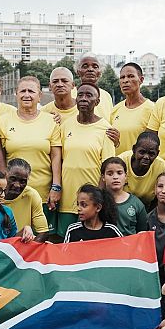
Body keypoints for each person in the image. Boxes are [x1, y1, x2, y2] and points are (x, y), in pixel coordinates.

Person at [0, 76, 63, 231]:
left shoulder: (51, 121)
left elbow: (56, 157)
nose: (27, 95)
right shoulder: (4, 121)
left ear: (39, 95)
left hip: (43, 193)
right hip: (12, 193)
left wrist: (56, 186)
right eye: (23, 91)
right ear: (16, 93)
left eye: (31, 91)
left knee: (42, 237)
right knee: (15, 238)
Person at [58, 83, 116, 237]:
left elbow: (108, 169)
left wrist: (98, 200)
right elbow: (59, 159)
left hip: (90, 203)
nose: (84, 98)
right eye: (81, 95)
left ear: (97, 102)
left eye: (89, 95)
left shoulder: (106, 129)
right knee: (66, 244)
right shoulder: (65, 125)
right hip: (67, 199)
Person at [2, 159, 49, 242]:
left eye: (23, 181)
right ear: (5, 174)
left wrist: (29, 251)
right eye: (13, 179)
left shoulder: (31, 195)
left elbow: (43, 232)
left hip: (21, 245)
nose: (17, 185)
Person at [111, 62, 155, 148]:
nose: (125, 80)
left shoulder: (152, 109)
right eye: (122, 77)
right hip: (118, 161)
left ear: (141, 80)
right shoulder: (115, 110)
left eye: (131, 76)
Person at [101, 156, 147, 236]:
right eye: (110, 174)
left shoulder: (136, 204)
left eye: (119, 173)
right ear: (103, 177)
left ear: (125, 176)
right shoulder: (96, 201)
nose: (115, 177)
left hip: (129, 247)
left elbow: (142, 233)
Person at [73, 53, 114, 119]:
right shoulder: (70, 94)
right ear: (78, 71)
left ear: (100, 72)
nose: (90, 69)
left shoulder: (106, 95)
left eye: (95, 67)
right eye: (85, 66)